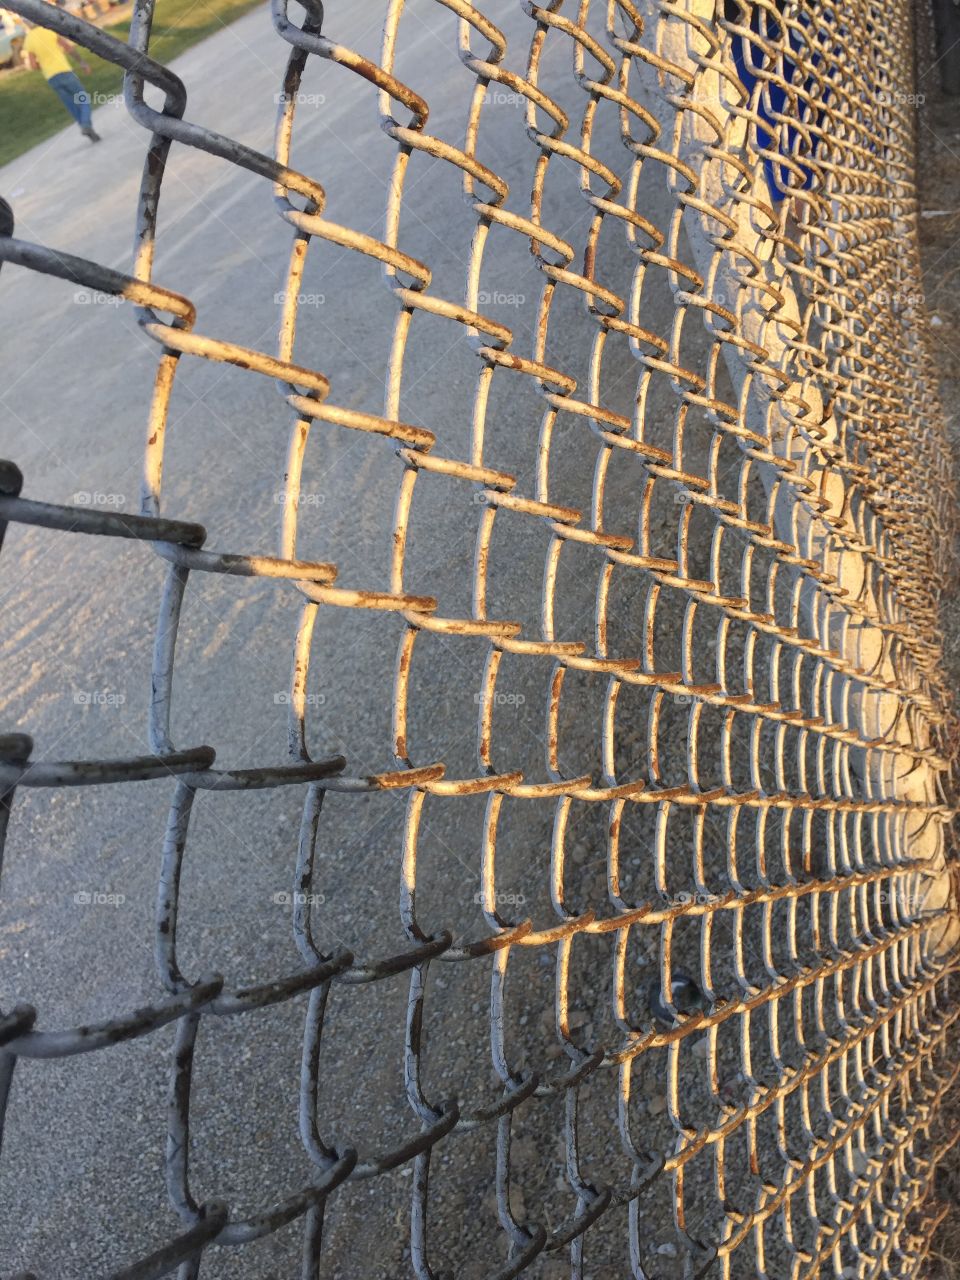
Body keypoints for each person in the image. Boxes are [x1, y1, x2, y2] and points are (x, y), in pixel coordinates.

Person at [22, 19, 101, 143]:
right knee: (83, 99)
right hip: (65, 71)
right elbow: (68, 48)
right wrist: (82, 62)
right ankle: (86, 125)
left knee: (71, 105)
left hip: (51, 78)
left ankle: (87, 128)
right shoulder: (49, 29)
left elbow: (33, 65)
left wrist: (42, 64)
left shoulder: (28, 40)